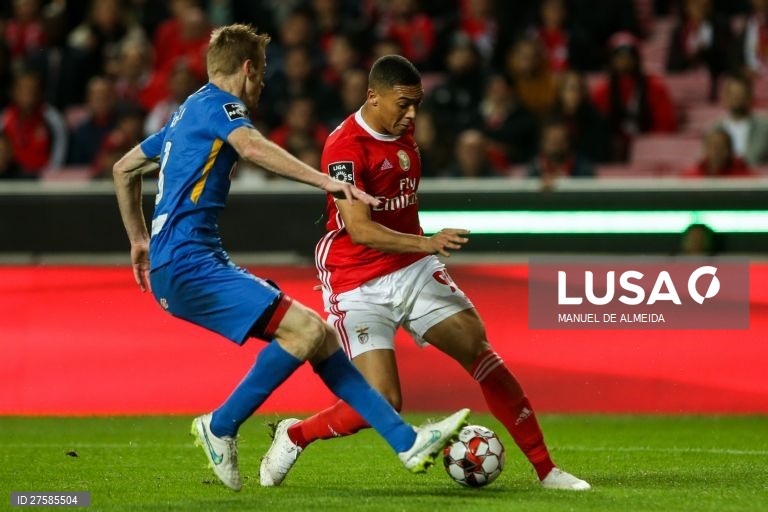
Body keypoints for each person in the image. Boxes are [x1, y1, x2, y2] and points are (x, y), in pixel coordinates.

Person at [112, 24, 470, 492]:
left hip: (180, 262)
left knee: (320, 337)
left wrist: (139, 240)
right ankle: (220, 425)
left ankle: (407, 443)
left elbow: (124, 169)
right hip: (188, 263)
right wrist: (327, 181)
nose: (263, 85)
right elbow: (251, 146)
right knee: (304, 330)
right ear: (247, 69)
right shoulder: (221, 106)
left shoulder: (185, 114)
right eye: (262, 74)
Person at [259, 54, 591, 491]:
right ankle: (295, 435)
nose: (412, 114)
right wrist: (427, 242)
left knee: (479, 349)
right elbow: (359, 230)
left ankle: (547, 470)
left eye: (417, 104)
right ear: (373, 97)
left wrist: (420, 249)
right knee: (382, 401)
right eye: (403, 104)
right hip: (356, 280)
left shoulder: (404, 131)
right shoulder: (345, 148)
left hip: (412, 267)